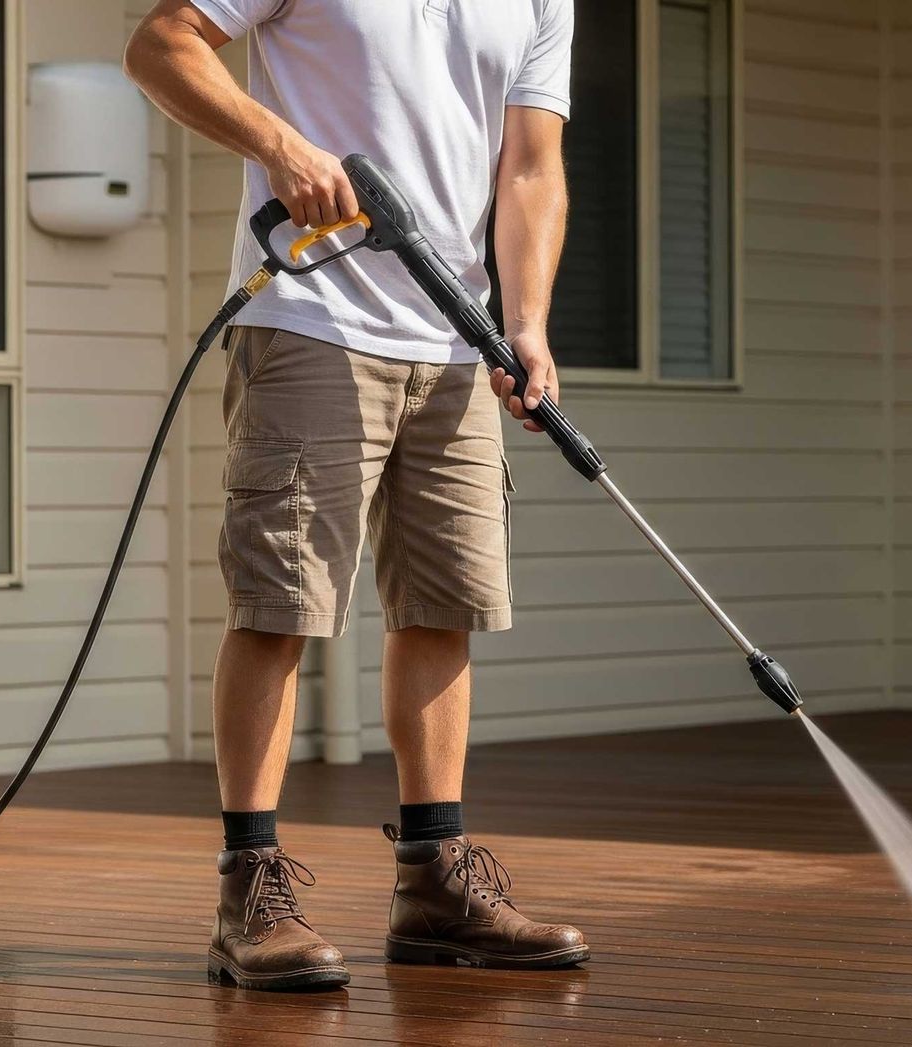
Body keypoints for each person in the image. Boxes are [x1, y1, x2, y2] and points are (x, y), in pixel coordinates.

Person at [124, 0, 585, 990]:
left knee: (445, 606)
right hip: (310, 316)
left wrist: (529, 322)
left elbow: (531, 166)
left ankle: (436, 886)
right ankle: (248, 891)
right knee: (279, 604)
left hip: (457, 338)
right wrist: (279, 143)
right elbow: (161, 45)